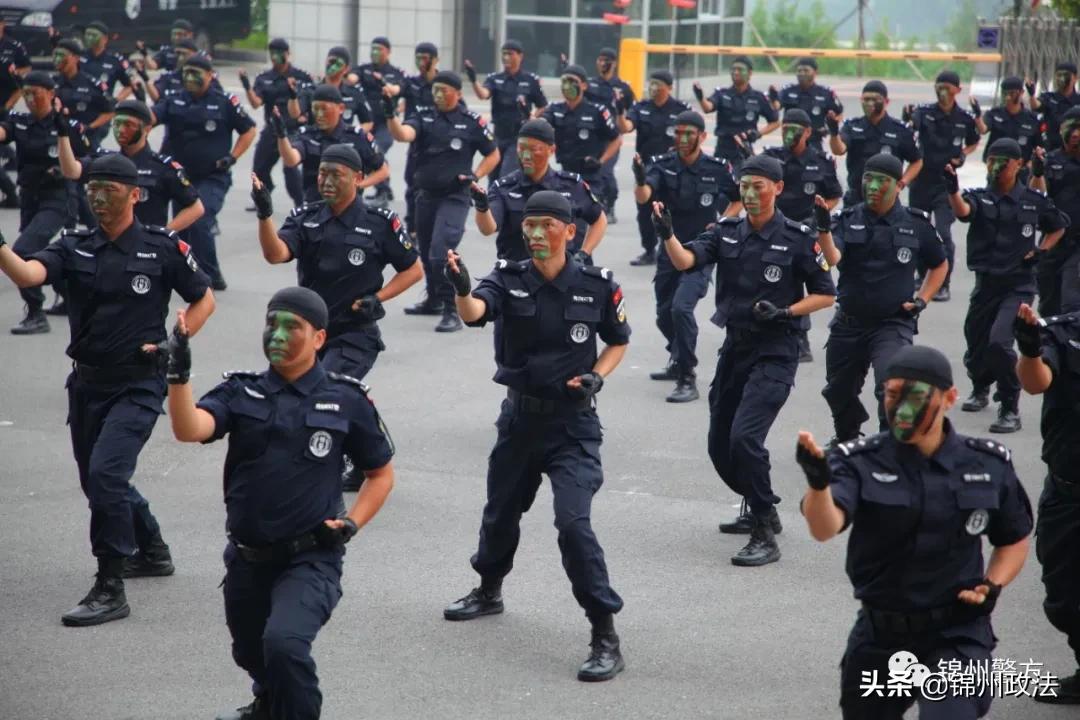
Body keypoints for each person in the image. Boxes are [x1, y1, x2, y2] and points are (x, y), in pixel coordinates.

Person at [0, 154, 216, 625]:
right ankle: (153, 549)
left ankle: (110, 583)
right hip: (87, 383)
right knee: (96, 481)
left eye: (110, 188)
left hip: (139, 381)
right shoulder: (74, 244)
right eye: (92, 188)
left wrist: (174, 341)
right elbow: (28, 275)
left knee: (106, 477)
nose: (98, 196)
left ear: (135, 195)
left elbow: (203, 299)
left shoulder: (162, 248)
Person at [165, 286, 394, 720]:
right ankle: (269, 703)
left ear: (319, 339)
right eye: (272, 322)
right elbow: (189, 428)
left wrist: (353, 523)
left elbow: (381, 474)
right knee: (250, 651)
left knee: (285, 644)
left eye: (293, 326)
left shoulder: (346, 398)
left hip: (311, 557)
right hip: (248, 558)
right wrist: (178, 376)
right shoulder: (241, 391)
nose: (278, 334)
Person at [442, 190, 629, 682]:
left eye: (548, 225)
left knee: (573, 524)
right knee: (500, 510)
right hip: (520, 421)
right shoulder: (508, 278)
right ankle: (489, 588)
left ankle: (604, 632)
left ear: (570, 231)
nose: (536, 233)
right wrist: (462, 287)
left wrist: (598, 376)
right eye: (530, 225)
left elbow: (618, 341)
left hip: (573, 426)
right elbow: (475, 312)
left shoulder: (596, 284)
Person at [798, 344, 1033, 720]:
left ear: (950, 398)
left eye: (915, 396)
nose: (901, 407)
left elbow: (1014, 538)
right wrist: (818, 485)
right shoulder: (859, 459)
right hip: (881, 634)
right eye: (892, 394)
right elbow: (825, 527)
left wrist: (993, 584)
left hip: (957, 633)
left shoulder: (987, 463)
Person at [657, 154, 835, 565]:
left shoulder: (797, 237)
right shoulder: (726, 231)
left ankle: (762, 531)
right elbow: (686, 260)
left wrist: (787, 312)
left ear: (777, 189)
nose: (750, 193)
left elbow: (826, 293)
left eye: (759, 186)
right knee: (719, 445)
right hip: (736, 348)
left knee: (744, 438)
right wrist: (667, 235)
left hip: (776, 350)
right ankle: (762, 505)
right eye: (745, 186)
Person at [251, 143, 421, 383]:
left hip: (354, 334)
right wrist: (264, 215)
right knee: (295, 398)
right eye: (323, 173)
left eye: (336, 175)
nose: (327, 181)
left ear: (358, 178)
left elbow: (413, 270)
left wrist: (378, 298)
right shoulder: (305, 217)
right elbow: (275, 254)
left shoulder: (380, 223)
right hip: (309, 332)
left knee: (326, 388)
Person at [816, 153, 947, 444]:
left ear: (899, 185)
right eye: (868, 179)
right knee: (838, 390)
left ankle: (887, 445)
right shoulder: (847, 220)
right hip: (848, 323)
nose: (873, 186)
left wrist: (923, 299)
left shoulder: (916, 223)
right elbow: (831, 259)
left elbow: (939, 264)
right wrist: (824, 230)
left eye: (882, 181)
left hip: (892, 323)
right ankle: (847, 437)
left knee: (890, 385)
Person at [947, 137, 1068, 433]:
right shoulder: (980, 196)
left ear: (1017, 165)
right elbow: (963, 212)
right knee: (976, 344)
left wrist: (1041, 250)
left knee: (999, 342)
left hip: (1019, 285)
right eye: (991, 160)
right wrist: (952, 189)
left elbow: (1059, 224)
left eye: (1003, 160)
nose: (996, 166)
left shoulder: (1032, 199)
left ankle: (1010, 407)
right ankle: (980, 387)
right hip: (986, 283)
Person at [634, 110, 740, 403]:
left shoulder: (717, 167)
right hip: (670, 248)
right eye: (678, 132)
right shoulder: (663, 164)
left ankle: (687, 377)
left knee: (681, 308)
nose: (681, 138)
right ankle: (678, 356)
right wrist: (640, 179)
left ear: (702, 136)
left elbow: (737, 198)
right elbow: (644, 196)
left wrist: (722, 223)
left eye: (688, 133)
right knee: (663, 314)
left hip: (702, 250)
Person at [386, 69, 499, 332]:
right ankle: (434, 300)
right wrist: (390, 114)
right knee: (425, 252)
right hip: (425, 196)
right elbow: (403, 134)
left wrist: (477, 175)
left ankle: (452, 309)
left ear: (457, 93)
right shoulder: (424, 116)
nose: (437, 94)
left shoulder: (472, 121)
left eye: (443, 90)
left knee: (440, 251)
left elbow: (493, 154)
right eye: (434, 89)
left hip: (455, 196)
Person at [1015, 303, 1080, 704]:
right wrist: (1030, 349)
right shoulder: (1064, 330)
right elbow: (1035, 383)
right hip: (1068, 490)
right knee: (1063, 597)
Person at [152, 52, 257, 290]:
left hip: (212, 176)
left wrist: (232, 157)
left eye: (195, 73)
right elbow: (151, 118)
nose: (189, 77)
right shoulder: (173, 99)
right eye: (186, 72)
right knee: (183, 228)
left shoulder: (224, 102)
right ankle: (186, 273)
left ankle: (211, 275)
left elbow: (249, 130)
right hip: (179, 178)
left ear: (210, 76)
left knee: (200, 219)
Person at [0, 71, 91, 335]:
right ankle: (69, 295)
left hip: (59, 199)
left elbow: (86, 159)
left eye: (35, 93)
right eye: (26, 94)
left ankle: (36, 313)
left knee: (22, 251)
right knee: (43, 254)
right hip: (30, 197)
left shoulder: (67, 125)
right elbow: (4, 132)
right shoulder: (20, 121)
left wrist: (64, 167)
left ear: (51, 94)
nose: (29, 99)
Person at [764, 108, 844, 363]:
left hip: (807, 232)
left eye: (794, 129)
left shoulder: (821, 161)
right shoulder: (772, 157)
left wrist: (818, 216)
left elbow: (834, 196)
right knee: (776, 280)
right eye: (785, 128)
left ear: (808, 132)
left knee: (806, 281)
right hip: (776, 229)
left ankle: (802, 339)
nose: (788, 133)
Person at [57, 99, 204, 234]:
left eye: (128, 125)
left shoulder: (162, 167)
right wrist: (63, 134)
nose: (120, 130)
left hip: (146, 250)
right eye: (117, 124)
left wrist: (164, 233)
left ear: (147, 129)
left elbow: (196, 208)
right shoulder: (105, 160)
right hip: (107, 245)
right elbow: (71, 171)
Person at [474, 118, 606, 262]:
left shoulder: (571, 185)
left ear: (551, 150)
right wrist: (482, 207)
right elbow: (487, 229)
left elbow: (599, 219)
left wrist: (584, 253)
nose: (526, 155)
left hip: (562, 274)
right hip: (517, 274)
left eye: (534, 149)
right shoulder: (504, 188)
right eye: (521, 148)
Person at [906, 70, 980, 302]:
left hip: (946, 185)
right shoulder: (924, 112)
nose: (943, 91)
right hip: (921, 182)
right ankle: (922, 275)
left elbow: (974, 140)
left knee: (944, 233)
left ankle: (943, 283)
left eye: (948, 87)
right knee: (918, 229)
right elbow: (911, 129)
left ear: (957, 90)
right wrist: (907, 119)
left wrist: (962, 156)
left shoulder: (965, 119)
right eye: (939, 86)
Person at [617, 69, 690, 266]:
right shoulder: (641, 108)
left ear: (669, 88)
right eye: (651, 83)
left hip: (674, 168)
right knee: (645, 210)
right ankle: (649, 250)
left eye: (658, 84)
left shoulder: (681, 109)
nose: (654, 88)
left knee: (674, 208)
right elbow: (626, 127)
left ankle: (673, 248)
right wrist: (619, 111)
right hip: (647, 169)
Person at [276, 84, 388, 203]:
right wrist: (281, 135)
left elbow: (383, 170)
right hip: (315, 208)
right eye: (315, 108)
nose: (319, 114)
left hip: (349, 208)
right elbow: (290, 159)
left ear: (341, 108)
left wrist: (358, 185)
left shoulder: (357, 137)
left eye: (324, 109)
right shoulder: (307, 135)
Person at [240, 38, 312, 210]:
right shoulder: (264, 78)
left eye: (280, 53)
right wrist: (246, 86)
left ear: (288, 55)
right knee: (259, 167)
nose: (275, 57)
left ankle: (300, 204)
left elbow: (311, 99)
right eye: (272, 53)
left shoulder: (301, 76)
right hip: (272, 128)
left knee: (291, 169)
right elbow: (256, 103)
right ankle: (264, 196)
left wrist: (307, 117)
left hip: (293, 129)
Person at [541, 64, 621, 217]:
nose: (567, 85)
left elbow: (616, 139)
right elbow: (541, 125)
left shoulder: (597, 111)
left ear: (584, 85)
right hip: (565, 174)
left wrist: (601, 161)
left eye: (572, 81)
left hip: (591, 176)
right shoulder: (555, 109)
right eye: (564, 81)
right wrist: (530, 119)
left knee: (586, 218)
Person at [828, 80, 922, 206]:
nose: (869, 103)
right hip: (856, 197)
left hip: (887, 198)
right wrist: (834, 132)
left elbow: (917, 161)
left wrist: (902, 183)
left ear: (886, 101)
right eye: (866, 99)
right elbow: (838, 150)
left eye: (875, 99)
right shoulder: (852, 125)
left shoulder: (900, 129)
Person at [465, 39, 547, 179]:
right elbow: (483, 95)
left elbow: (543, 105)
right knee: (494, 178)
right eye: (504, 54)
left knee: (507, 174)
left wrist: (532, 116)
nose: (506, 57)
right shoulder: (495, 78)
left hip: (518, 136)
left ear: (520, 56)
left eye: (510, 54)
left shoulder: (530, 80)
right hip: (499, 135)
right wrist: (473, 80)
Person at [1030, 106, 1080, 316]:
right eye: (1071, 128)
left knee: (1071, 301)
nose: (1076, 134)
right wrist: (1038, 173)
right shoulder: (1051, 161)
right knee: (1049, 305)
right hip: (1053, 242)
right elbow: (1036, 197)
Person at [693, 55, 779, 169]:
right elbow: (708, 108)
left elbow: (775, 122)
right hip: (723, 148)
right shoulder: (722, 93)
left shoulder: (758, 97)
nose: (735, 72)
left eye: (740, 69)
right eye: (733, 69)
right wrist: (700, 97)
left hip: (744, 149)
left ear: (750, 73)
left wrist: (758, 133)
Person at [349, 36, 404, 207]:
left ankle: (384, 191)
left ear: (388, 52)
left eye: (379, 49)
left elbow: (397, 89)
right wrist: (346, 74)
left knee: (378, 149)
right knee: (364, 155)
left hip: (386, 125)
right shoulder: (364, 69)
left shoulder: (395, 72)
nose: (375, 52)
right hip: (368, 123)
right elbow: (352, 78)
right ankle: (381, 190)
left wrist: (385, 84)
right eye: (373, 48)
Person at [584, 47, 635, 223]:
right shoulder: (590, 84)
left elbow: (630, 111)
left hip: (611, 137)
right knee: (589, 170)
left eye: (606, 60)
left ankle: (610, 204)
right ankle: (594, 205)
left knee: (605, 170)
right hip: (591, 136)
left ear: (614, 64)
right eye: (600, 59)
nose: (602, 63)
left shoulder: (622, 88)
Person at [398, 41, 439, 236]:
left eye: (425, 58)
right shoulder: (411, 83)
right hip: (416, 141)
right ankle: (412, 229)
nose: (421, 62)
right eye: (418, 57)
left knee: (432, 185)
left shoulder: (444, 84)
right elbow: (397, 89)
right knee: (412, 184)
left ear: (435, 60)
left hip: (439, 143)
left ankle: (432, 224)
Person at [768, 57, 843, 152]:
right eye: (799, 70)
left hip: (814, 141)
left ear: (815, 72)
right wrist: (773, 97)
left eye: (806, 70)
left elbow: (839, 113)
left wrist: (830, 127)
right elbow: (776, 107)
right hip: (790, 139)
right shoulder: (788, 90)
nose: (802, 73)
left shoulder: (825, 93)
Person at [290, 46, 372, 133]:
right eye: (331, 61)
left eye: (338, 64)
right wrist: (292, 95)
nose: (333, 66)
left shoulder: (354, 92)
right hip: (316, 140)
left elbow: (368, 122)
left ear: (346, 69)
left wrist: (352, 134)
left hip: (342, 142)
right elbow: (295, 114)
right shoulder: (310, 89)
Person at [52, 38, 114, 147]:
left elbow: (109, 112)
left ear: (76, 58)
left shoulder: (93, 84)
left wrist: (90, 127)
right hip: (57, 139)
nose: (58, 59)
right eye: (56, 55)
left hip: (86, 141)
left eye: (62, 55)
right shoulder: (51, 83)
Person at [975, 76, 1042, 170]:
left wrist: (1031, 164)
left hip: (1021, 170)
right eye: (1004, 93)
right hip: (997, 167)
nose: (1007, 97)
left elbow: (1040, 146)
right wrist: (978, 116)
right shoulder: (995, 113)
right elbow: (983, 129)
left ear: (1021, 93)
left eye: (1012, 93)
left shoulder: (1031, 119)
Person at [1030, 61, 1080, 153]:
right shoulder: (1049, 97)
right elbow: (1036, 105)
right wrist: (1031, 95)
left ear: (1075, 78)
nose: (1061, 79)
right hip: (1052, 149)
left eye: (1065, 75)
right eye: (1059, 75)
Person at [79, 21, 133, 101]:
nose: (90, 38)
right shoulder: (78, 56)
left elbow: (130, 85)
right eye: (88, 34)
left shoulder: (115, 60)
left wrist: (116, 100)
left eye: (94, 35)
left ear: (105, 39)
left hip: (102, 106)